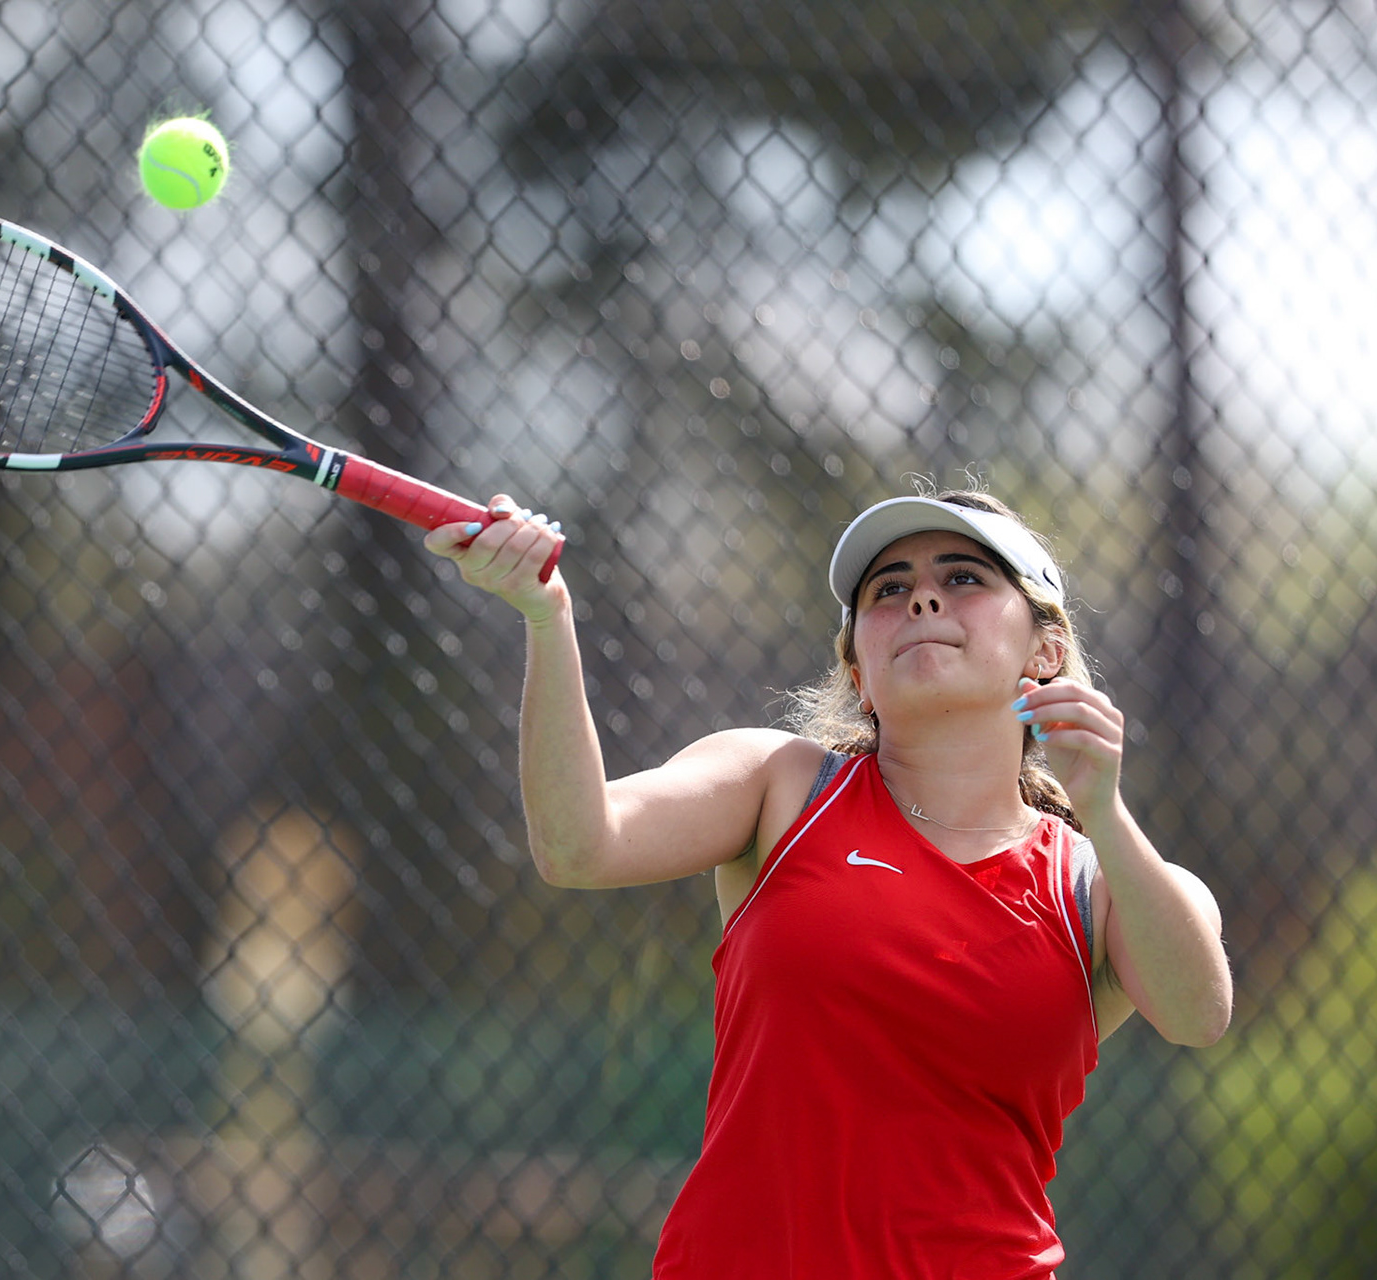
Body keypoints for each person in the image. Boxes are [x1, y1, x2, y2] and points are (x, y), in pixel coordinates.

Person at [423, 488, 1232, 1279]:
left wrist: (1106, 808)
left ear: (1044, 650)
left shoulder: (1099, 882)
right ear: (857, 664)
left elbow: (1199, 1014)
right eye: (889, 589)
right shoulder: (780, 786)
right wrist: (545, 614)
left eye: (963, 579)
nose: (921, 600)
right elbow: (578, 845)